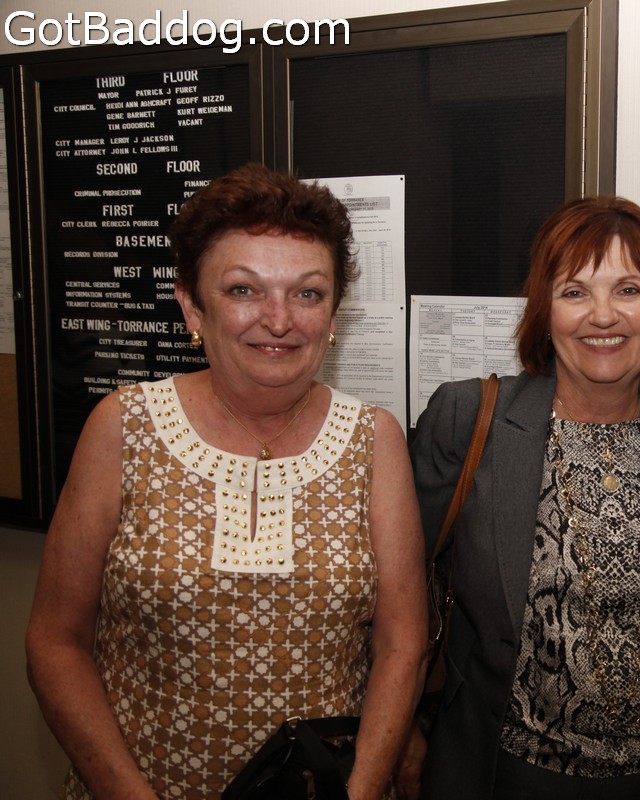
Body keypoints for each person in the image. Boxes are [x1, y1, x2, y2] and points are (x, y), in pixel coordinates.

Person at [25, 163, 426, 799]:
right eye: (244, 289)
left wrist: (361, 792)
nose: (279, 319)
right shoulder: (123, 426)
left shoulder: (374, 439)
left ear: (334, 314)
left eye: (308, 293)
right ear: (192, 305)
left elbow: (402, 644)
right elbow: (55, 642)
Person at [406, 196, 640, 799]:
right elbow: (396, 588)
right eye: (574, 292)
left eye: (628, 289)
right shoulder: (467, 418)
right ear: (545, 312)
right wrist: (399, 731)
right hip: (494, 773)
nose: (603, 315)